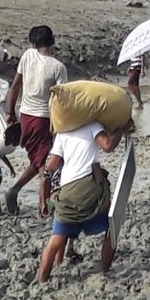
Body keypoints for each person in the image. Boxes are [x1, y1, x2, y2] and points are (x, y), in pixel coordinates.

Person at [37, 119, 132, 282]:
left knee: (56, 237)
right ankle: (104, 269)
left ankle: (42, 277)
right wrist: (122, 128)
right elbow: (108, 146)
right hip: (89, 189)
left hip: (67, 192)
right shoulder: (92, 125)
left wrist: (44, 193)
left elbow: (51, 165)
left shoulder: (63, 131)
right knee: (112, 224)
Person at [5, 25, 67, 216]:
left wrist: (10, 112)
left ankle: (15, 190)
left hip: (26, 117)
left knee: (39, 159)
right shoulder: (57, 67)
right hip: (44, 119)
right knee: (44, 165)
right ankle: (44, 207)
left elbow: (15, 86)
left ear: (33, 43)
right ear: (52, 42)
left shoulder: (27, 56)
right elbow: (62, 101)